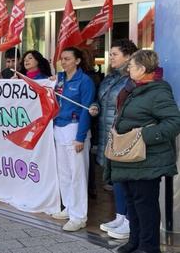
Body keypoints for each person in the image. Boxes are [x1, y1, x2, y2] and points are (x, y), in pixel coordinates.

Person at [105, 50, 180, 253]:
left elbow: (174, 122)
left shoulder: (158, 91)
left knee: (145, 206)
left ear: (142, 68)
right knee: (132, 204)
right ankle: (135, 242)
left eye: (131, 65)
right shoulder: (134, 88)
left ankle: (148, 247)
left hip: (146, 160)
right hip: (128, 158)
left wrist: (143, 137)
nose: (128, 68)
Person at [88, 39, 138, 239]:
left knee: (124, 179)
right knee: (115, 178)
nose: (111, 57)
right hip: (106, 134)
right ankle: (120, 216)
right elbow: (101, 101)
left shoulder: (133, 79)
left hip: (123, 137)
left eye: (115, 54)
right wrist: (95, 107)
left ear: (128, 56)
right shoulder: (109, 78)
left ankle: (128, 220)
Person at [52, 47, 95, 232]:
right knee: (64, 173)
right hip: (59, 128)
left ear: (77, 61)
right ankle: (69, 207)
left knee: (78, 175)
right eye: (62, 59)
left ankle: (79, 216)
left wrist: (80, 137)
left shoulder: (85, 81)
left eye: (68, 59)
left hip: (74, 129)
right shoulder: (60, 78)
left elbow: (86, 109)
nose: (64, 62)